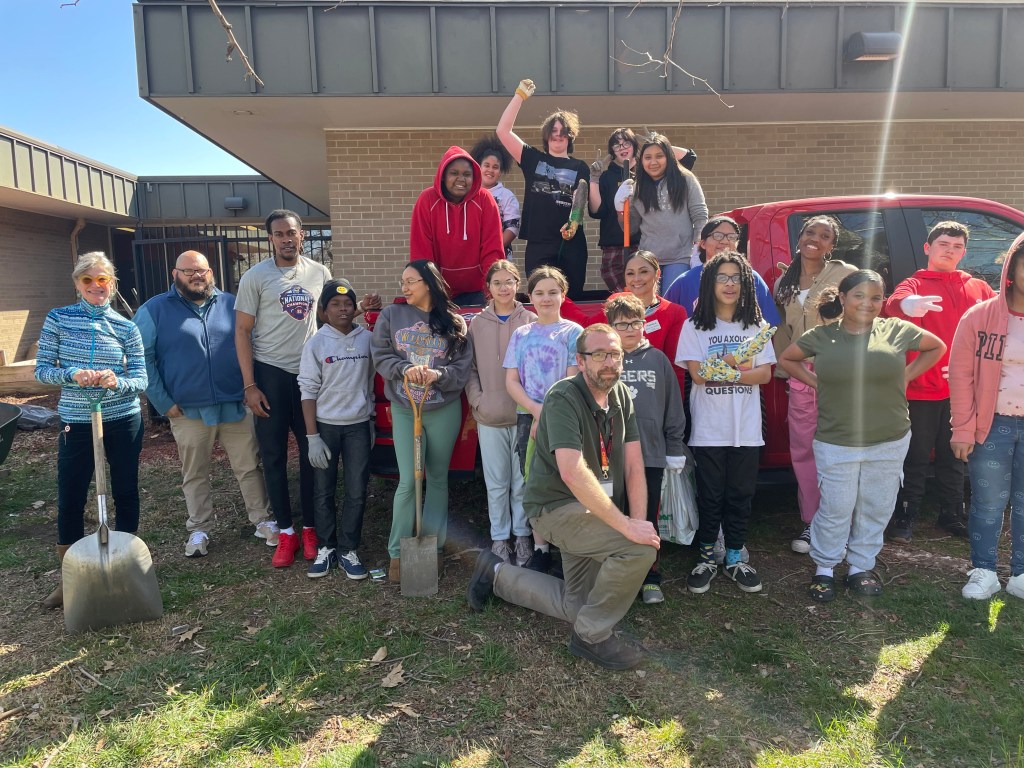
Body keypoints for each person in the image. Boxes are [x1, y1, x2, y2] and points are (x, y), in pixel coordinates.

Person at [467, 324, 660, 671]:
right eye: (598, 354)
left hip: (592, 508)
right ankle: (592, 637)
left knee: (580, 604)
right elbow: (571, 472)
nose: (608, 362)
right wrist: (628, 529)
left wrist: (640, 521)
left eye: (614, 354)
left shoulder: (621, 396)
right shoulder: (562, 397)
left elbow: (634, 467)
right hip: (554, 508)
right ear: (580, 360)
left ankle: (495, 573)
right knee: (638, 549)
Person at [780, 270, 945, 602]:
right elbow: (788, 358)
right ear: (843, 299)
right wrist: (816, 384)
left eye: (875, 297)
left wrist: (906, 376)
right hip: (836, 438)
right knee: (836, 507)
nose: (867, 303)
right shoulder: (822, 336)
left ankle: (860, 567)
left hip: (889, 437)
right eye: (858, 296)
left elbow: (936, 347)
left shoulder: (896, 329)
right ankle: (824, 568)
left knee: (877, 505)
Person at [236, 209, 381, 569]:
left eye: (292, 233)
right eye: (279, 234)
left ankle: (312, 529)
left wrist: (360, 309)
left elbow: (328, 319)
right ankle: (286, 531)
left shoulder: (320, 273)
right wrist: (250, 384)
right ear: (270, 238)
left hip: (311, 378)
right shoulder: (255, 277)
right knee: (272, 456)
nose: (286, 239)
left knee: (312, 453)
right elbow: (241, 331)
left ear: (302, 236)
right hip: (271, 373)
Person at [134, 250, 274, 558]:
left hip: (234, 404)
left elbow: (253, 344)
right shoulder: (154, 310)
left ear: (211, 273)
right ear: (175, 275)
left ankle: (262, 520)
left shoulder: (232, 304)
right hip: (187, 410)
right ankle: (199, 528)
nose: (197, 276)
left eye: (203, 271)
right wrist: (162, 401)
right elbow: (141, 359)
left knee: (249, 466)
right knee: (195, 472)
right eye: (189, 272)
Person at [35, 252, 148, 609]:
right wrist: (71, 375)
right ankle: (70, 579)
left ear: (113, 284)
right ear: (77, 285)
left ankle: (125, 566)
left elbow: (141, 379)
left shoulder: (126, 327)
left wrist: (118, 381)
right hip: (78, 420)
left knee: (125, 489)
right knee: (71, 493)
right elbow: (41, 371)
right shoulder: (59, 319)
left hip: (122, 418)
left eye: (103, 280)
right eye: (88, 280)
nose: (96, 287)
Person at [884, 221, 995, 542]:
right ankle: (906, 515)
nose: (950, 251)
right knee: (916, 457)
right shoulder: (914, 283)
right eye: (944, 244)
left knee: (955, 456)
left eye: (957, 246)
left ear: (964, 252)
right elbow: (893, 303)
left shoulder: (977, 287)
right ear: (928, 248)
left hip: (963, 393)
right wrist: (906, 305)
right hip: (921, 390)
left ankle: (952, 514)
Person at [677, 252, 775, 595]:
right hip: (708, 429)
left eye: (736, 277)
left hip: (746, 430)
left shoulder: (757, 327)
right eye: (722, 277)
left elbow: (764, 374)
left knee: (740, 494)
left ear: (745, 283)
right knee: (710, 495)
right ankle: (705, 557)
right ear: (709, 283)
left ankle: (734, 557)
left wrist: (721, 368)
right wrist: (738, 363)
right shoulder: (694, 326)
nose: (729, 284)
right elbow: (698, 376)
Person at [371, 260, 474, 583]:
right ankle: (398, 555)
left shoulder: (454, 322)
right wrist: (404, 370)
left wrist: (437, 374)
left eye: (410, 281)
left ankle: (433, 549)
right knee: (408, 480)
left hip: (442, 408)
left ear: (428, 283)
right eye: (402, 281)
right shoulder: (392, 315)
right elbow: (381, 354)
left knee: (437, 478)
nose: (404, 287)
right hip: (405, 408)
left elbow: (461, 369)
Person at [770, 215, 855, 553]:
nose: (815, 239)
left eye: (824, 235)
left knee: (840, 451)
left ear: (832, 245)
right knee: (804, 452)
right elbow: (781, 333)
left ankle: (841, 526)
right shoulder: (783, 284)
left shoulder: (845, 276)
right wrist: (787, 372)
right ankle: (812, 523)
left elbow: (862, 318)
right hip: (801, 376)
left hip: (838, 373)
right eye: (810, 233)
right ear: (799, 238)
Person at [949, 232, 1024, 600]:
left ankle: (1022, 574)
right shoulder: (980, 316)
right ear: (1012, 267)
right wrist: (962, 428)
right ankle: (984, 571)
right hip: (991, 424)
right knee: (988, 500)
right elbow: (961, 375)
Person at [605, 293, 688, 605]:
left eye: (635, 322)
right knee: (612, 513)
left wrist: (674, 447)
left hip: (650, 453)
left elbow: (673, 408)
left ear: (645, 324)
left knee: (646, 515)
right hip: (610, 454)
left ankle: (649, 575)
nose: (629, 329)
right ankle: (615, 573)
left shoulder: (658, 360)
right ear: (610, 326)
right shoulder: (604, 359)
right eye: (622, 324)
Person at [504, 265, 583, 572]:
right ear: (530, 297)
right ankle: (540, 548)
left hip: (564, 418)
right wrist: (536, 412)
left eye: (553, 292)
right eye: (539, 292)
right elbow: (511, 381)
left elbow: (570, 380)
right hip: (528, 418)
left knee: (567, 481)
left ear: (563, 295)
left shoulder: (573, 333)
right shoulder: (520, 334)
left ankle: (567, 548)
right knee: (534, 483)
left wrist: (547, 414)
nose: (546, 298)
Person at [298, 279, 375, 580]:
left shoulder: (367, 339)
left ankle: (348, 548)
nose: (342, 309)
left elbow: (372, 378)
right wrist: (312, 437)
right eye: (335, 304)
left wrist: (369, 420)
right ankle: (326, 547)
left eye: (347, 304)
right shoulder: (316, 343)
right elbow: (307, 391)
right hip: (326, 427)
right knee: (323, 490)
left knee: (357, 490)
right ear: (324, 310)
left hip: (357, 426)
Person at [466, 261, 537, 564]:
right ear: (489, 287)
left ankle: (522, 537)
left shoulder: (531, 320)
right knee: (496, 482)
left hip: (523, 415)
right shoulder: (477, 324)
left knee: (522, 482)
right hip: (490, 415)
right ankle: (499, 539)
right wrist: (478, 400)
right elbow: (469, 368)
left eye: (509, 281)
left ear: (518, 284)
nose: (504, 287)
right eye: (498, 282)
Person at [496, 78, 591, 299]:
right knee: (540, 297)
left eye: (563, 130)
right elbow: (503, 130)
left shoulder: (579, 166)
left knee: (571, 300)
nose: (558, 134)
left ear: (571, 135)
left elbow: (580, 197)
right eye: (553, 130)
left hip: (571, 244)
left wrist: (574, 221)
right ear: (546, 134)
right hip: (539, 242)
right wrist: (519, 96)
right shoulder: (532, 158)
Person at [589, 129, 698, 292]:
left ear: (635, 145)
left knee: (661, 296)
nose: (622, 147)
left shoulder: (649, 172)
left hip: (644, 245)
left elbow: (689, 157)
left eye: (626, 142)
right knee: (632, 297)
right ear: (612, 150)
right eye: (616, 145)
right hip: (617, 244)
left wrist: (657, 143)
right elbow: (597, 211)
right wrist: (594, 179)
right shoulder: (607, 176)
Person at [410, 145, 505, 305]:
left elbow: (492, 250)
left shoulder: (485, 200)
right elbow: (421, 253)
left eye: (467, 174)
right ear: (442, 176)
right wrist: (429, 293)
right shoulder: (427, 200)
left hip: (478, 290)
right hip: (438, 291)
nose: (461, 179)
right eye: (454, 173)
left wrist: (491, 292)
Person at [614, 132, 708, 290]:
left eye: (659, 156)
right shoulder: (636, 187)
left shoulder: (685, 179)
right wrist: (619, 209)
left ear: (669, 157)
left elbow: (700, 215)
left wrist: (699, 249)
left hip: (680, 257)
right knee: (650, 306)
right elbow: (630, 229)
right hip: (648, 260)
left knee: (672, 303)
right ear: (641, 161)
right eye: (648, 157)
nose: (653, 162)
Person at [597, 251, 689, 393]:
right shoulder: (614, 303)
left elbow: (674, 367)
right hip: (614, 393)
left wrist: (675, 410)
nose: (637, 279)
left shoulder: (674, 312)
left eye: (644, 271)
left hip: (653, 395)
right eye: (630, 273)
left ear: (657, 274)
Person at [664, 216, 781, 327]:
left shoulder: (752, 279)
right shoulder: (685, 282)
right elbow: (665, 321)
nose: (725, 241)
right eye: (718, 235)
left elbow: (770, 326)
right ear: (703, 243)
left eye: (731, 237)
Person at [470, 136, 521, 260]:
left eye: (495, 167)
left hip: (499, 258)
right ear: (479, 167)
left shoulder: (506, 196)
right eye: (486, 165)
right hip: (470, 258)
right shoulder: (468, 194)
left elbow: (512, 228)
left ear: (500, 171)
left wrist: (492, 249)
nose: (490, 170)